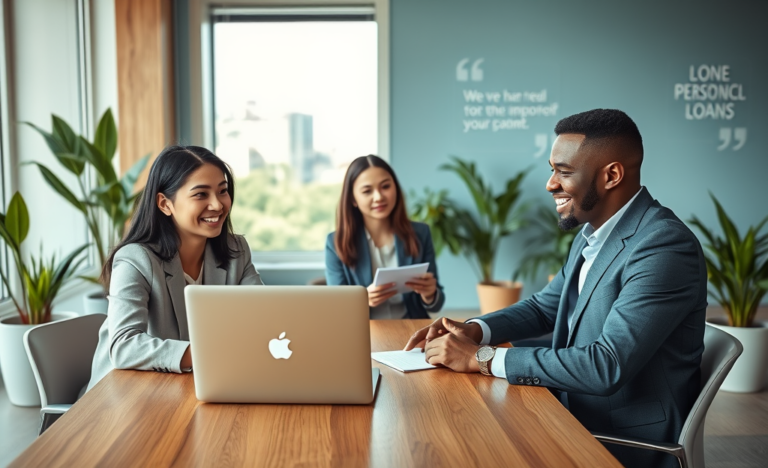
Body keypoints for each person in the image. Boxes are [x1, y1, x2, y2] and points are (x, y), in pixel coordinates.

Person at [404, 109, 707, 468]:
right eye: (552, 169)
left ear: (611, 175)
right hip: (570, 411)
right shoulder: (592, 233)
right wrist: (475, 330)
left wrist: (479, 358)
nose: (550, 183)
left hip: (622, 442)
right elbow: (543, 307)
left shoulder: (663, 246)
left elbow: (605, 366)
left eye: (563, 172)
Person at [87, 145, 263, 391]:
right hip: (125, 395)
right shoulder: (135, 259)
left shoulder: (237, 251)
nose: (218, 205)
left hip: (195, 385)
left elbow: (264, 319)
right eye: (201, 194)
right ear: (165, 204)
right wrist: (210, 353)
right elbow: (124, 346)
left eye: (222, 191)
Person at [325, 155, 445, 319]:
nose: (379, 197)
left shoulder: (420, 234)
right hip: (364, 331)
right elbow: (336, 308)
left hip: (411, 329)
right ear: (353, 199)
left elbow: (437, 304)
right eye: (367, 191)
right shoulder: (336, 243)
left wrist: (430, 293)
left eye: (385, 186)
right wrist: (361, 300)